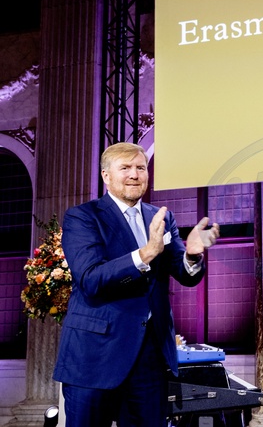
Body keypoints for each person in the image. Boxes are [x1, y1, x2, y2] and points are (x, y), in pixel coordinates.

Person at [53, 142, 220, 427]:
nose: (134, 174)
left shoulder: (162, 217)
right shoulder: (83, 216)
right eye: (126, 168)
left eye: (141, 168)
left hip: (149, 358)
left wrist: (192, 255)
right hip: (94, 357)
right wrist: (145, 254)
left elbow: (185, 274)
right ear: (106, 176)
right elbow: (91, 279)